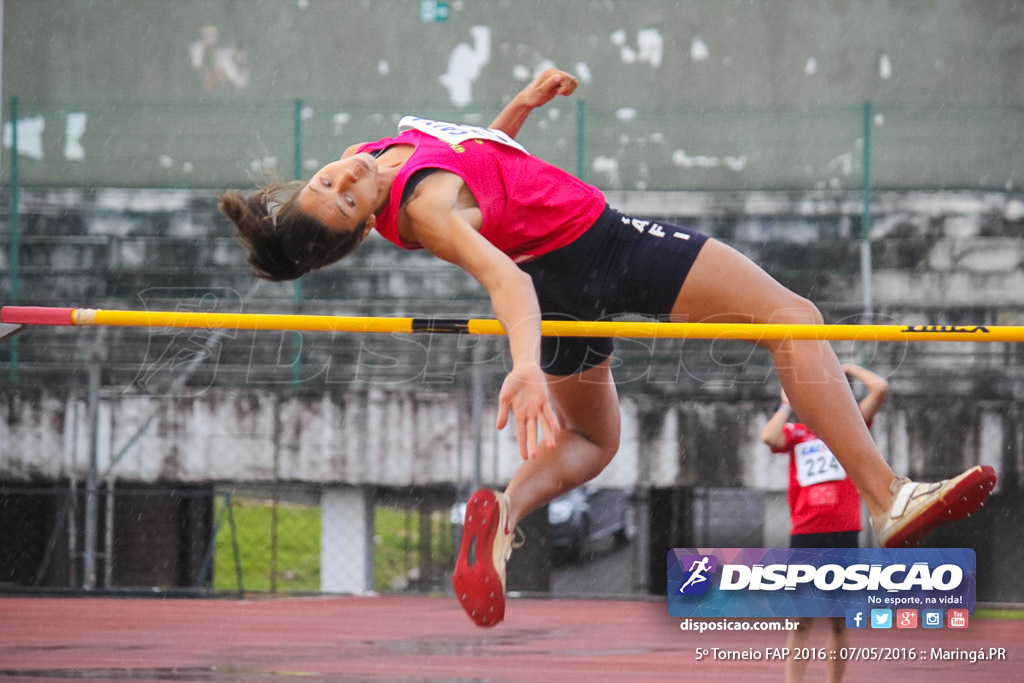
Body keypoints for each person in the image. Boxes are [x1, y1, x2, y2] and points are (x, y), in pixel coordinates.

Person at [219, 67, 997, 628]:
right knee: (791, 315)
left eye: (330, 178)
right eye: (347, 198)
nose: (347, 175)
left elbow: (484, 169)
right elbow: (503, 282)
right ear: (360, 229)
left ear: (309, 178)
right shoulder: (424, 206)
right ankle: (888, 494)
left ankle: (506, 511)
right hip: (597, 246)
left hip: (558, 274)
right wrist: (524, 366)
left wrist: (517, 108)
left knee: (594, 439)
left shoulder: (389, 159)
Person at [761, 363, 889, 683]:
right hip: (806, 531)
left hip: (843, 530)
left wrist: (846, 367)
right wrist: (786, 405)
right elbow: (769, 436)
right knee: (800, 619)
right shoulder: (796, 433)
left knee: (838, 620)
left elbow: (880, 388)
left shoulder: (849, 426)